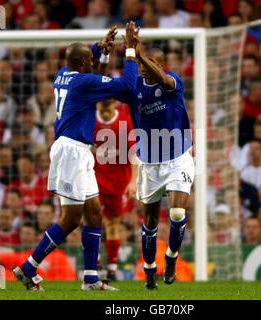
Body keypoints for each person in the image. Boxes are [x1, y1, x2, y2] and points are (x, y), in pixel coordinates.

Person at [13, 23, 138, 291]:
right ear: (83, 63)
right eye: (91, 60)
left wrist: (99, 48)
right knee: (71, 218)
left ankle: (91, 279)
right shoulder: (84, 81)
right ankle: (28, 267)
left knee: (94, 214)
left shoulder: (63, 75)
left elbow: (82, 59)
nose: (94, 62)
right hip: (71, 151)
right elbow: (128, 86)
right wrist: (130, 51)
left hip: (79, 151)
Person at [118, 38, 195, 290]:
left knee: (176, 212)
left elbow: (162, 79)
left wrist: (140, 56)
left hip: (177, 157)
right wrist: (125, 55)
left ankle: (171, 259)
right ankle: (150, 270)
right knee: (150, 221)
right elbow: (122, 84)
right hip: (149, 163)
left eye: (150, 64)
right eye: (142, 65)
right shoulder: (135, 88)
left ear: (161, 65)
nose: (143, 69)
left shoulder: (172, 81)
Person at [92, 99, 137, 281]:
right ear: (96, 106)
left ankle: (111, 269)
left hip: (118, 182)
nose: (105, 113)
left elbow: (134, 153)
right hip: (94, 179)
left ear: (114, 106)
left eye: (108, 109)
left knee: (112, 224)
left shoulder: (125, 122)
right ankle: (94, 262)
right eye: (102, 109)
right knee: (92, 219)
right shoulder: (90, 120)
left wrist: (133, 181)